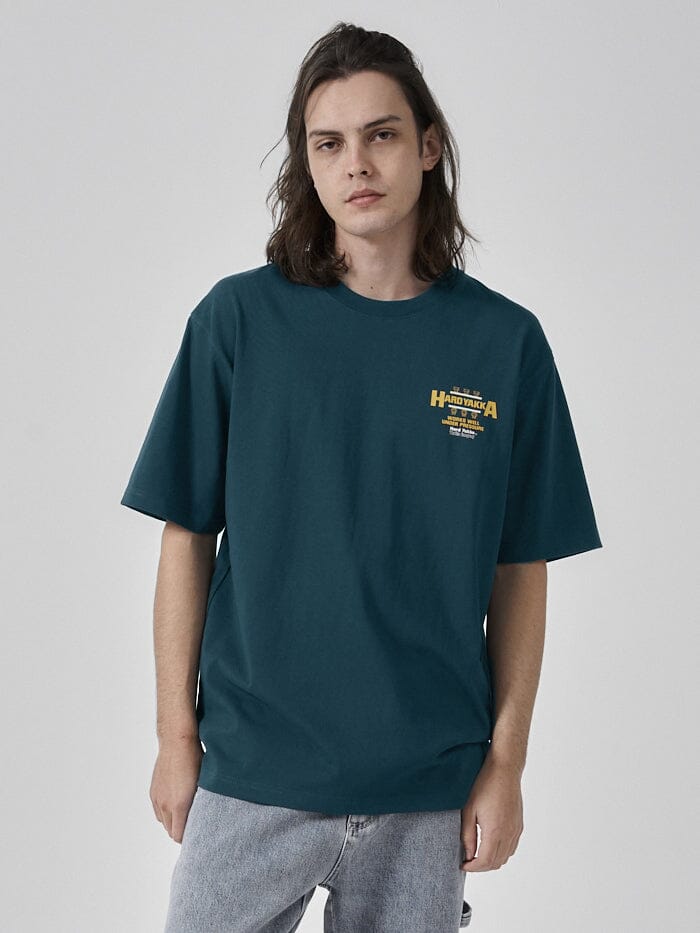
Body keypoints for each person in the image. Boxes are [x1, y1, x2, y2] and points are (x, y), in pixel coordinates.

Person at [120, 21, 603, 933]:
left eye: (381, 134)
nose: (357, 164)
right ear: (307, 163)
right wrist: (175, 737)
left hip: (426, 783)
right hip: (255, 769)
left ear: (428, 146)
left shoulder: (504, 345)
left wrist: (507, 763)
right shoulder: (238, 322)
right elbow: (185, 533)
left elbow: (522, 567)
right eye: (328, 143)